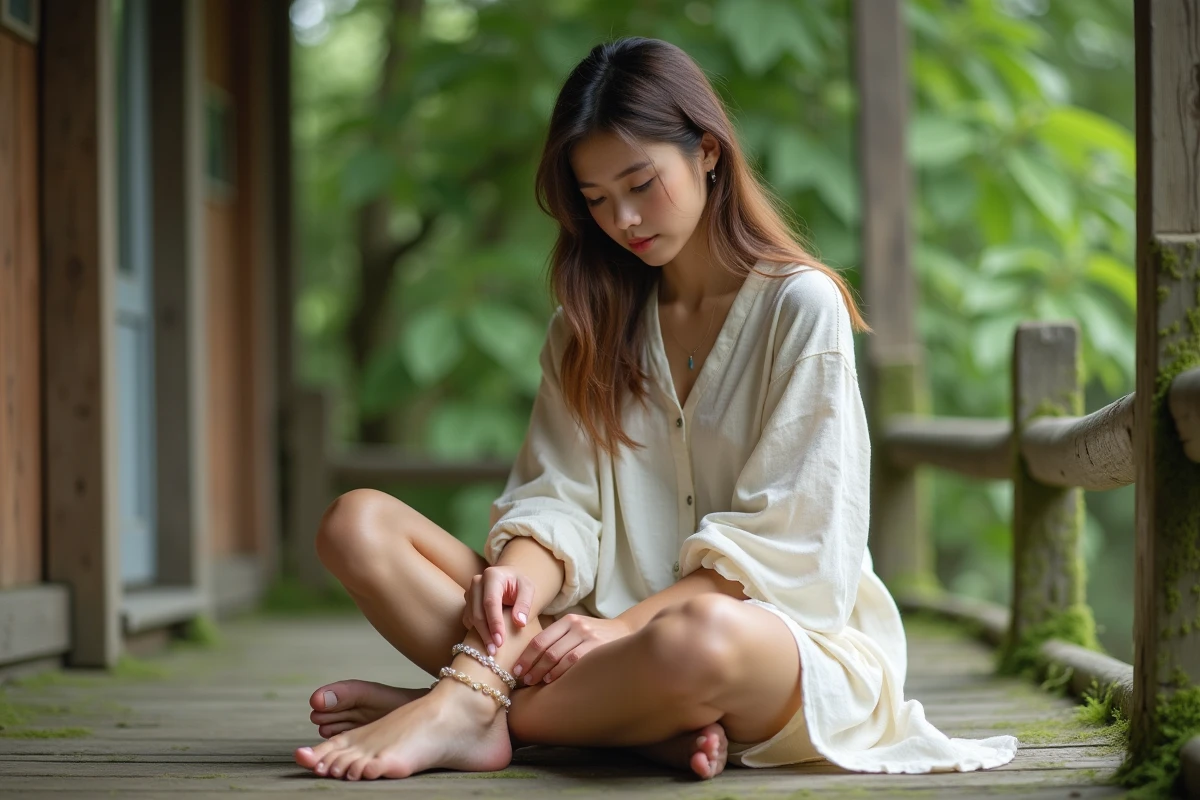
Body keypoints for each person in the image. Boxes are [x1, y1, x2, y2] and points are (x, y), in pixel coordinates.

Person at [293, 36, 1019, 782]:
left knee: (695, 638)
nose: (625, 221)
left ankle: (462, 707)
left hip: (770, 649)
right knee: (359, 524)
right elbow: (557, 504)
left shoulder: (800, 306)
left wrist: (594, 639)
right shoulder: (588, 323)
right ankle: (603, 724)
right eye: (597, 200)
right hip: (582, 645)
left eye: (642, 183)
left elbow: (792, 546)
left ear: (707, 152)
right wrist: (516, 582)